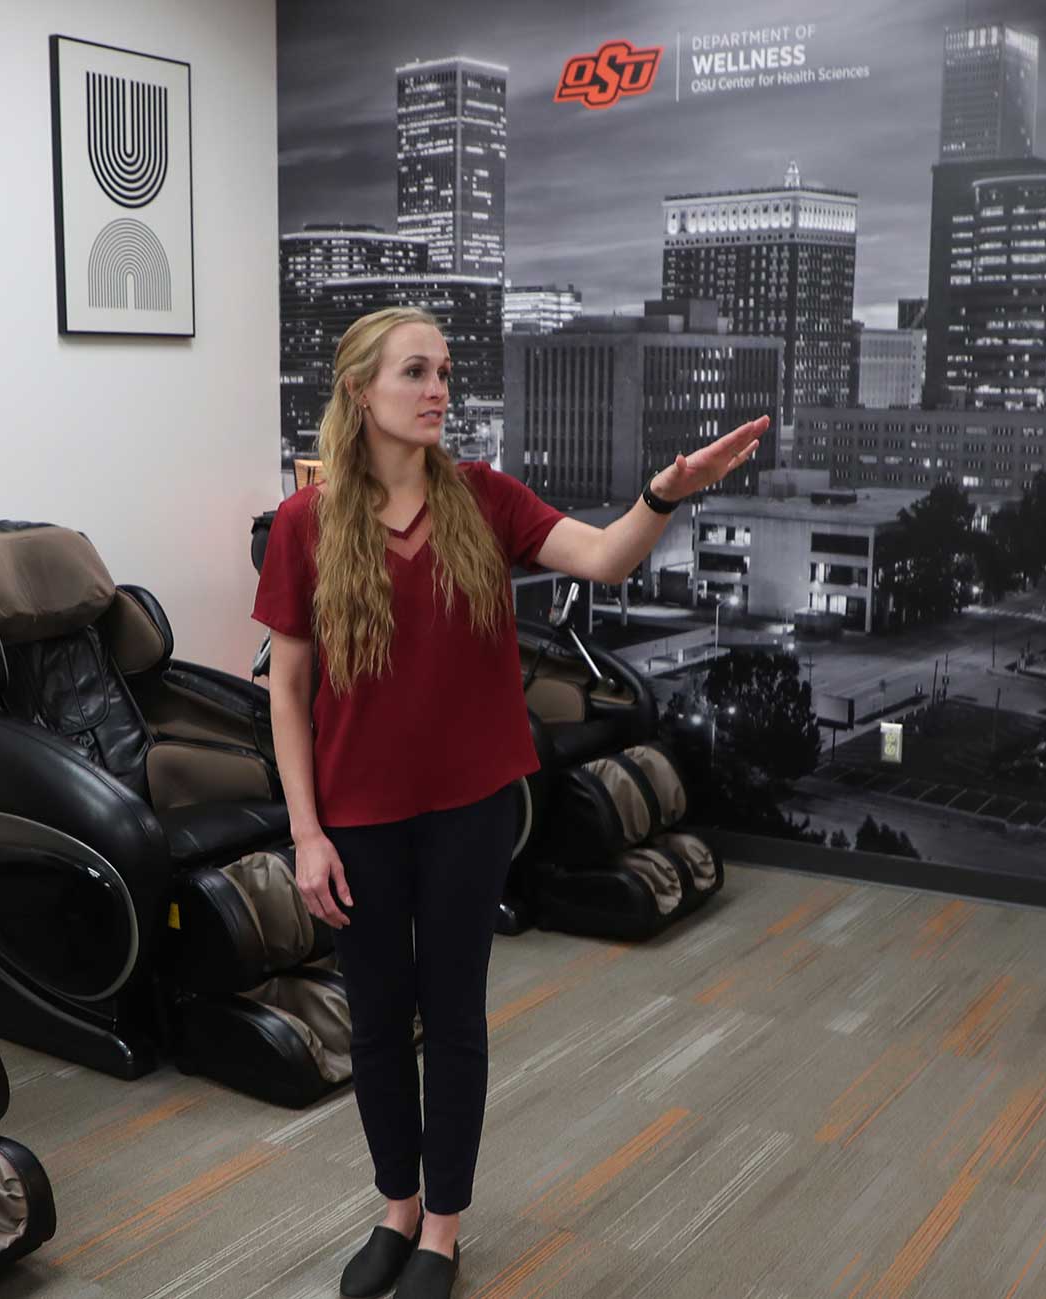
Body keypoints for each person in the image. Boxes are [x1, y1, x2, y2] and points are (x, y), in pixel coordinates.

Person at [251, 305, 763, 1299]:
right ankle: (393, 1206)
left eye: (444, 371)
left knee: (451, 1016)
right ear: (361, 393)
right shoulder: (306, 525)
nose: (440, 388)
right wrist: (304, 833)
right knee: (373, 1025)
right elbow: (285, 686)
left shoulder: (484, 499)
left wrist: (667, 492)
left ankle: (441, 1228)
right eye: (416, 372)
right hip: (355, 815)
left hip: (471, 808)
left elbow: (608, 558)